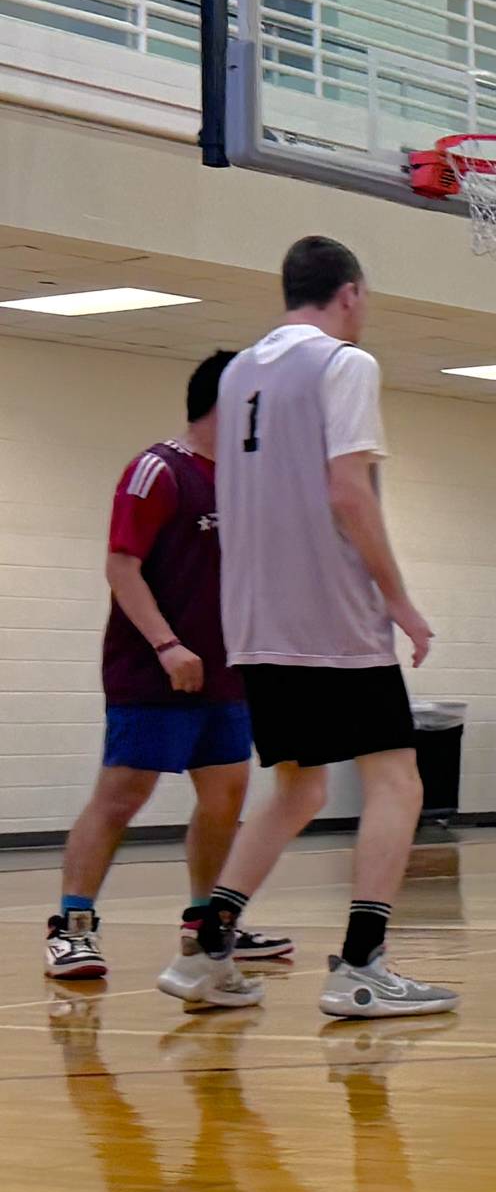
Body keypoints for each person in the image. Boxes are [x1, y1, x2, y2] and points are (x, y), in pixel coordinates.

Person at [160, 235, 456, 1017]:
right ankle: (363, 964)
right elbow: (349, 491)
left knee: (297, 788)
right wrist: (398, 598)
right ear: (350, 294)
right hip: (333, 614)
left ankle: (208, 950)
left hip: (255, 620)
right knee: (398, 777)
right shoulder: (344, 364)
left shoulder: (239, 371)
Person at [47, 350, 293, 980]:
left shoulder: (247, 481)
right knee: (123, 795)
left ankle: (209, 923)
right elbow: (121, 566)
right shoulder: (157, 470)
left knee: (226, 794)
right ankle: (72, 928)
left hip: (227, 674)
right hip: (153, 669)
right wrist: (165, 644)